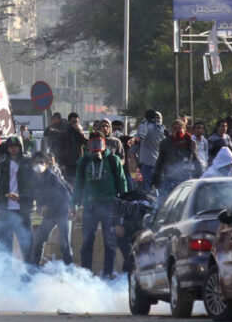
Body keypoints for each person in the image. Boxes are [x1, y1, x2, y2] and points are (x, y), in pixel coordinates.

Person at [73, 136, 127, 278]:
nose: (96, 153)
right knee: (86, 241)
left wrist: (124, 204)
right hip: (90, 206)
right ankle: (86, 273)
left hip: (110, 205)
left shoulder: (112, 159)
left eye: (99, 148)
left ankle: (108, 273)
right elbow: (78, 183)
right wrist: (73, 204)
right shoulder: (84, 161)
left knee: (110, 242)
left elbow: (122, 182)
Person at [0, 135, 33, 260]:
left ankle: (30, 273)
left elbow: (34, 186)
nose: (13, 149)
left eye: (16, 146)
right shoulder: (3, 164)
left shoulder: (28, 162)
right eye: (11, 147)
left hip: (23, 208)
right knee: (4, 245)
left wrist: (22, 197)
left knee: (26, 243)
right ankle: (6, 275)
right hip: (6, 208)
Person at [30, 152, 73, 266]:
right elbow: (36, 196)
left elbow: (65, 195)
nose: (38, 165)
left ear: (47, 164)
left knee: (64, 244)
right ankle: (34, 269)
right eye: (36, 162)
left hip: (63, 212)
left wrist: (48, 206)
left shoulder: (52, 177)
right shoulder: (34, 179)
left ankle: (70, 273)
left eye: (41, 162)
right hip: (50, 215)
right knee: (39, 241)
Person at [151, 120, 203, 194]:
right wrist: (155, 178)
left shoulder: (191, 143)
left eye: (179, 128)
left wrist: (200, 176)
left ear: (184, 129)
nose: (177, 131)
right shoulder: (165, 142)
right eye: (175, 129)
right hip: (169, 178)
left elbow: (196, 160)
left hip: (185, 179)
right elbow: (160, 161)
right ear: (172, 130)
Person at [137, 110, 166, 189]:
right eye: (155, 117)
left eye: (158, 117)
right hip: (153, 163)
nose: (156, 119)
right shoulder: (162, 129)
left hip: (151, 164)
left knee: (150, 188)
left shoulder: (146, 127)